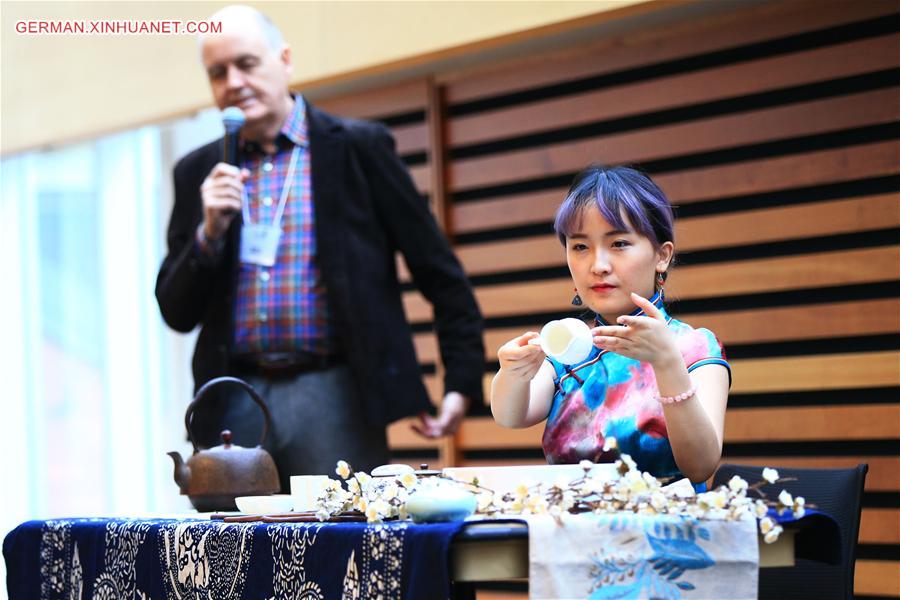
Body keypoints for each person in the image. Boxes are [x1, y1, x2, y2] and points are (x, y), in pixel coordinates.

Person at [155, 5, 484, 491]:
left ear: (284, 59)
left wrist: (461, 379)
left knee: (340, 545)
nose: (234, 82)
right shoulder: (198, 172)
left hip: (335, 389)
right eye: (218, 73)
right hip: (234, 395)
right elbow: (176, 312)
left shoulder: (357, 148)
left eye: (246, 63)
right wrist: (208, 233)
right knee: (232, 556)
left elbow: (439, 271)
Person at [490, 165, 730, 488]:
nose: (598, 266)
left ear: (662, 256)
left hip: (664, 531)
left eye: (618, 244)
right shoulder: (570, 348)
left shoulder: (696, 347)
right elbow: (511, 416)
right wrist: (512, 372)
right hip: (569, 527)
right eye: (580, 247)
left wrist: (667, 363)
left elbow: (701, 465)